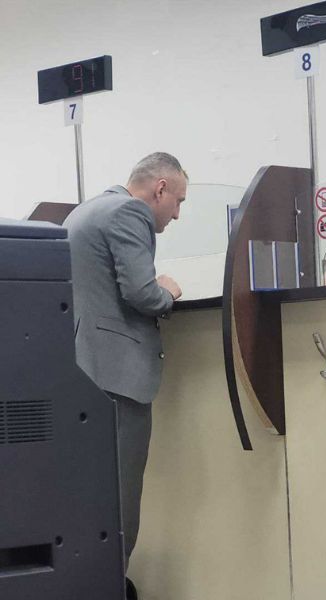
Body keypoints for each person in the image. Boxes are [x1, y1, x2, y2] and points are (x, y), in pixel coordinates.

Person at [63, 152, 187, 600]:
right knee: (119, 505)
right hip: (118, 379)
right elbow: (141, 293)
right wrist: (167, 292)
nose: (177, 214)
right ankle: (109, 586)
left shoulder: (84, 212)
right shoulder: (129, 212)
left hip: (82, 375)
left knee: (85, 502)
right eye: (178, 201)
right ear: (160, 189)